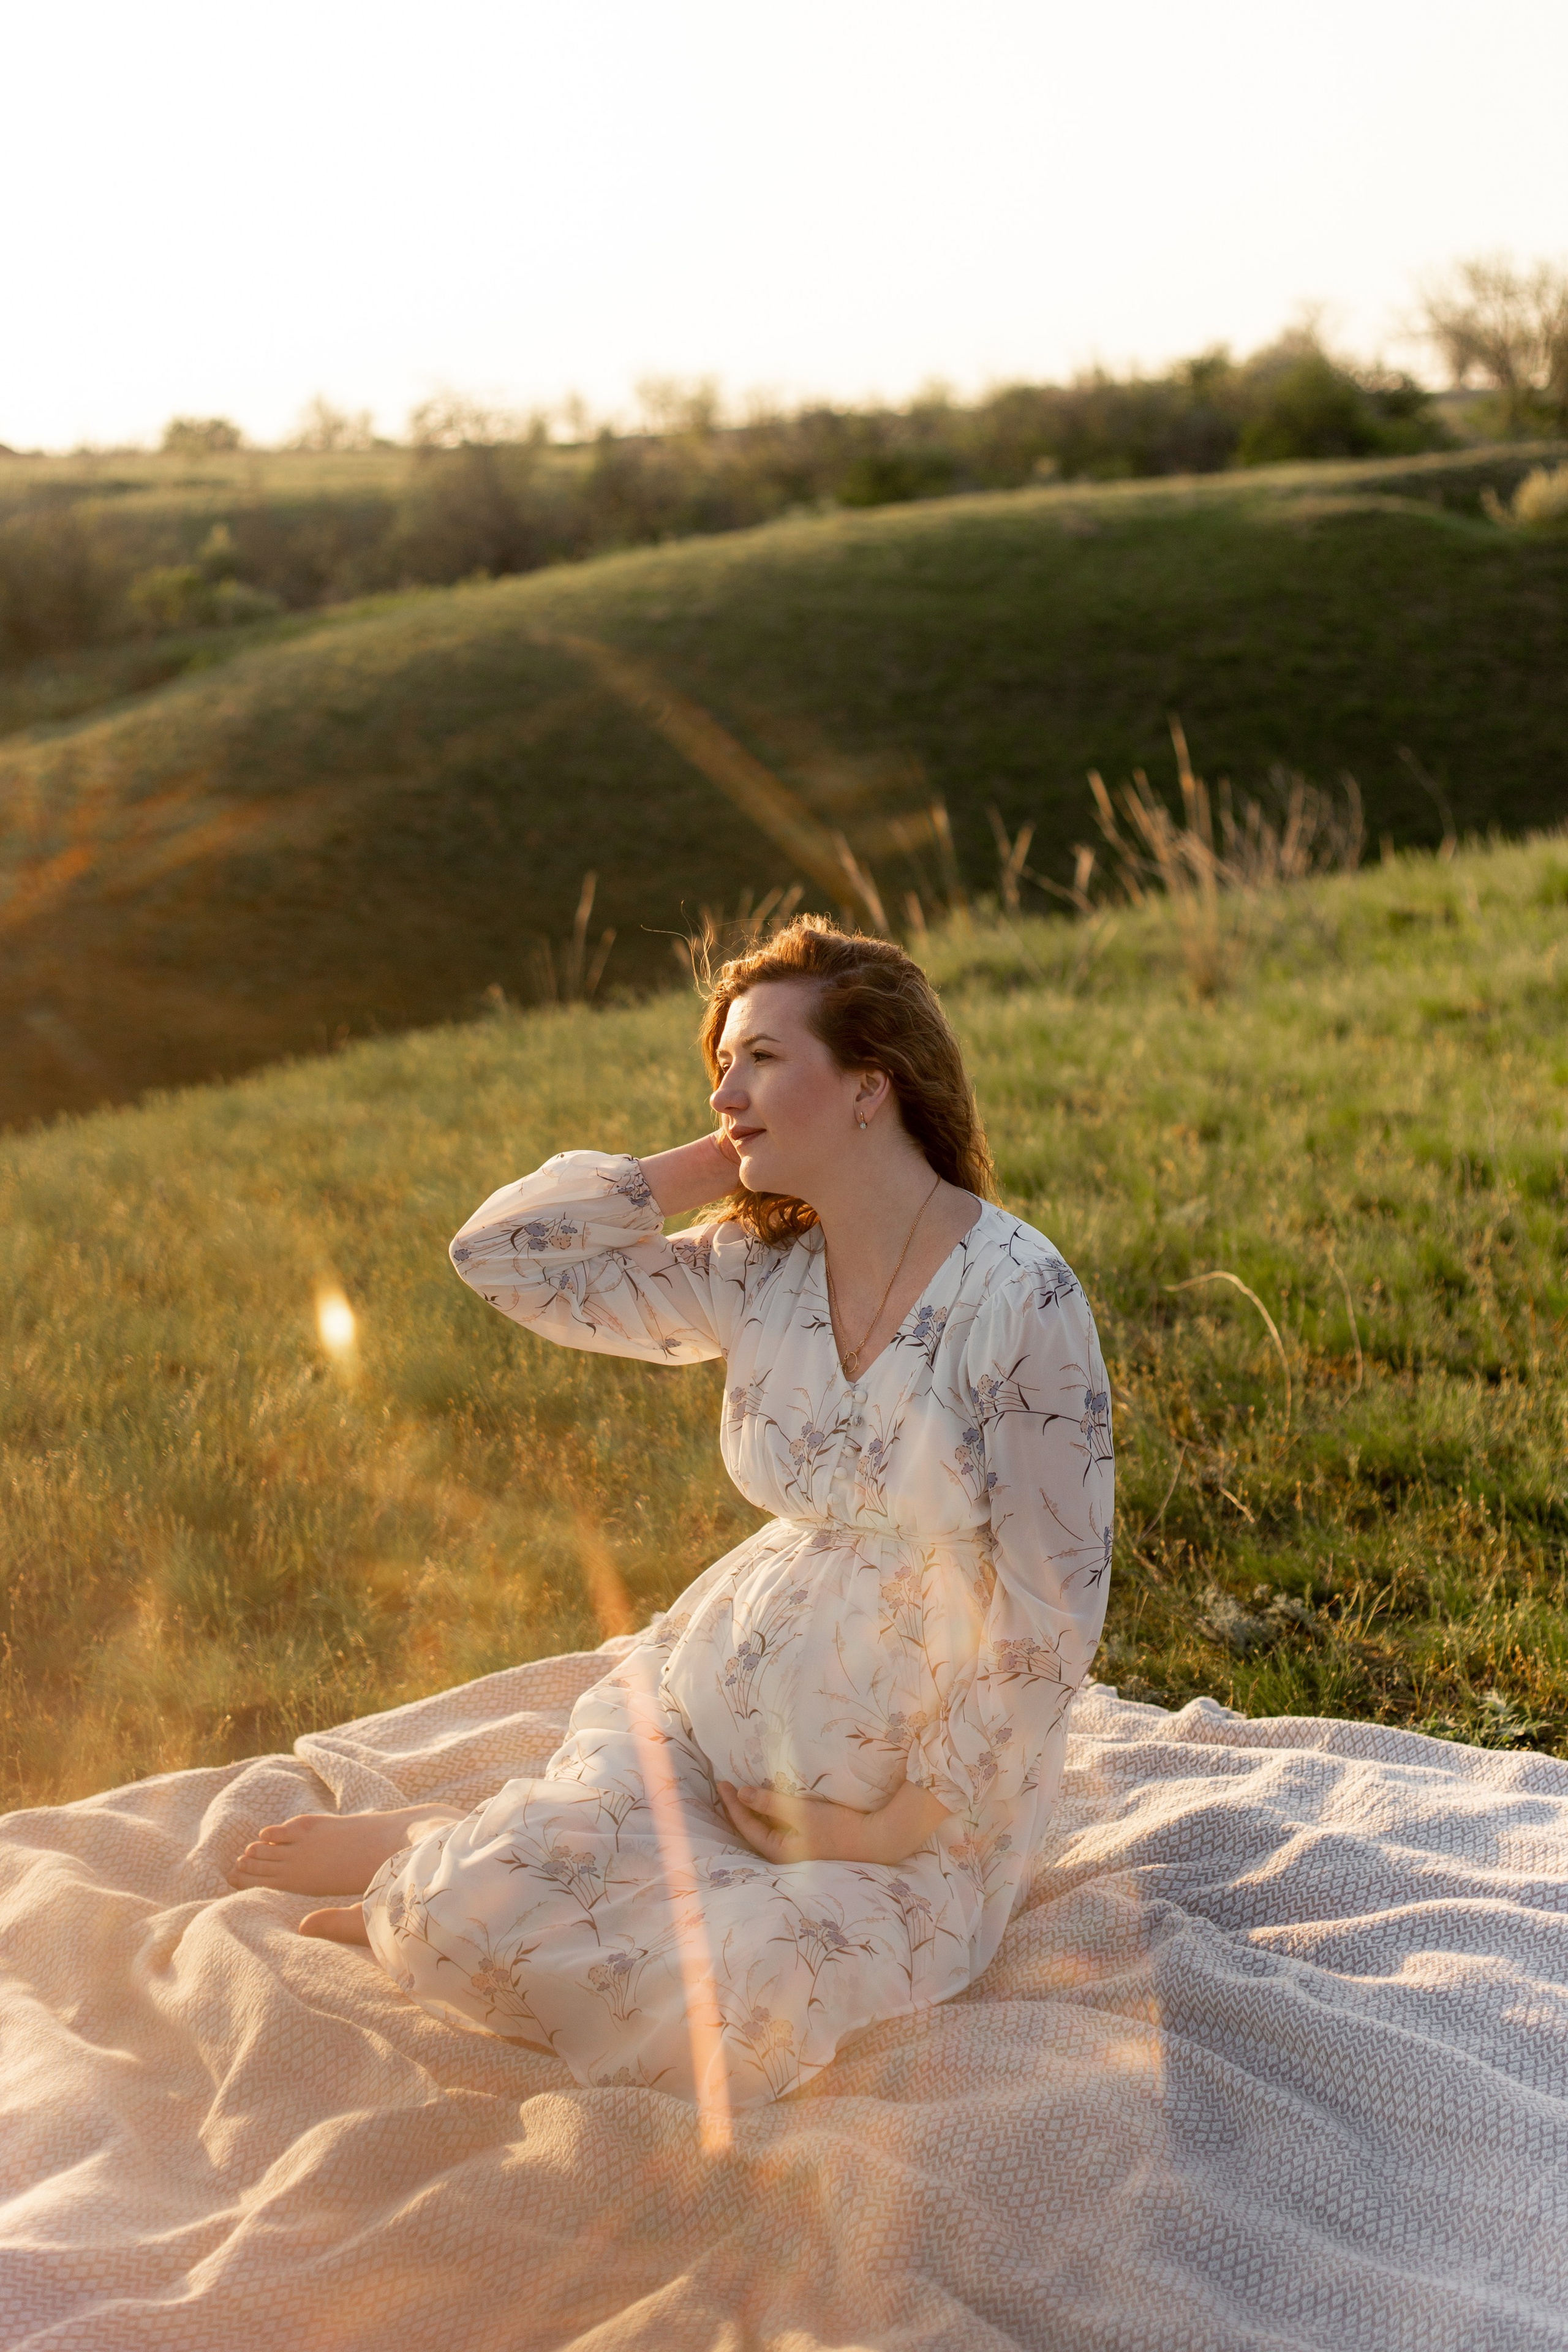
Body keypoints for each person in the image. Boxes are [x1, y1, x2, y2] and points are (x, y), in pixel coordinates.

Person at [229, 916, 1114, 2109]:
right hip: (714, 1723)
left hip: (901, 1811)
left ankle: (484, 1863)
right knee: (470, 1909)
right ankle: (449, 1855)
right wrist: (710, 1163)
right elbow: (500, 1256)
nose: (722, 1086)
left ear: (869, 1086)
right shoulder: (756, 1271)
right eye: (721, 1062)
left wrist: (893, 1825)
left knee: (730, 2012)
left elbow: (1055, 1593)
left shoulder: (1017, 1291)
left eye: (758, 1059)